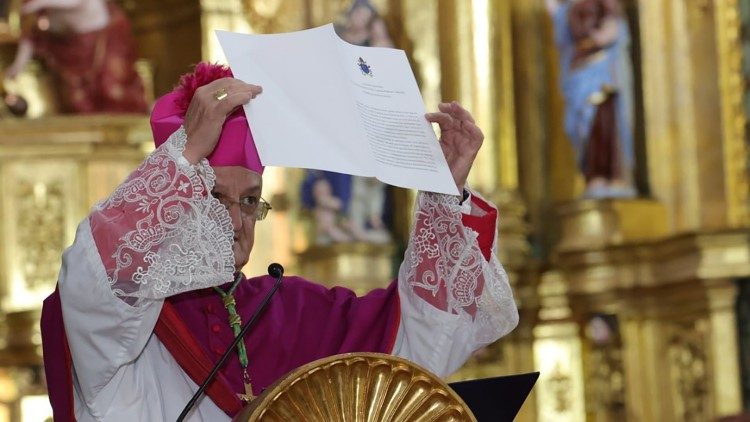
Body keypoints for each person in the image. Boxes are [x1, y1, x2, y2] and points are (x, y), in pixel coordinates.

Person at [40, 63, 519, 421]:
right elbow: (92, 281)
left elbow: (417, 351)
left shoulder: (289, 311)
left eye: (250, 201)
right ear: (176, 197)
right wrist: (186, 152)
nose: (235, 220)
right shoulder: (130, 329)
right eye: (213, 196)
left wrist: (442, 191)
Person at [547, 0, 636, 198]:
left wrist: (600, 37)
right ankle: (592, 174)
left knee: (602, 122)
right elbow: (560, 27)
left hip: (601, 67)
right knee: (582, 127)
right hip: (578, 69)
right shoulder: (568, 7)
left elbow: (614, 26)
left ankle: (609, 173)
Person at [5, 0, 147, 113]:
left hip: (102, 41)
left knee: (112, 89)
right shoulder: (35, 10)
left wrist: (39, 2)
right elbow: (31, 37)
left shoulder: (38, 4)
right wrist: (18, 66)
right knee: (77, 98)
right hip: (69, 51)